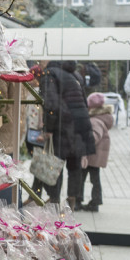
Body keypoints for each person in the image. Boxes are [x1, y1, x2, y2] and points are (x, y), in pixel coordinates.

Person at [38, 60, 95, 208]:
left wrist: (48, 128)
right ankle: (71, 203)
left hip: (63, 124)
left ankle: (54, 202)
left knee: (55, 164)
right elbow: (84, 100)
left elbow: (50, 103)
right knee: (74, 164)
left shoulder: (49, 74)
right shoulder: (74, 74)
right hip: (80, 123)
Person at [77, 92, 114, 212]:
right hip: (96, 156)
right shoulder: (101, 117)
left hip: (91, 156)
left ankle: (81, 201)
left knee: (82, 178)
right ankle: (95, 201)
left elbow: (94, 136)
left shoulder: (94, 120)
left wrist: (83, 144)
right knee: (94, 179)